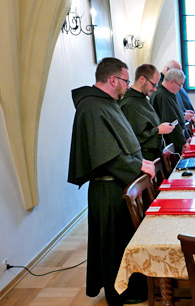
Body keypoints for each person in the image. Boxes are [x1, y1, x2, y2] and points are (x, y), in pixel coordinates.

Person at [68, 57, 155, 306]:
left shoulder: (107, 103)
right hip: (107, 189)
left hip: (120, 185)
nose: (128, 87)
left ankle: (133, 285)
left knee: (124, 240)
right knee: (112, 245)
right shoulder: (91, 107)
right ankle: (119, 292)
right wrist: (138, 166)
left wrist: (138, 164)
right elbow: (104, 155)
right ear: (113, 79)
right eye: (126, 81)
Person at [120, 64, 175, 161]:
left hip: (154, 154)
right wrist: (158, 130)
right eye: (153, 84)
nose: (155, 89)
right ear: (142, 79)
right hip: (143, 157)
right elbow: (134, 138)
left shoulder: (143, 99)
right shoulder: (129, 103)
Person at [150, 68, 191, 153]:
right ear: (172, 81)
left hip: (177, 139)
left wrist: (186, 136)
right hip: (170, 142)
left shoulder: (170, 94)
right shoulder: (161, 96)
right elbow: (171, 121)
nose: (180, 88)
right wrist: (182, 142)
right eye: (180, 85)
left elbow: (179, 117)